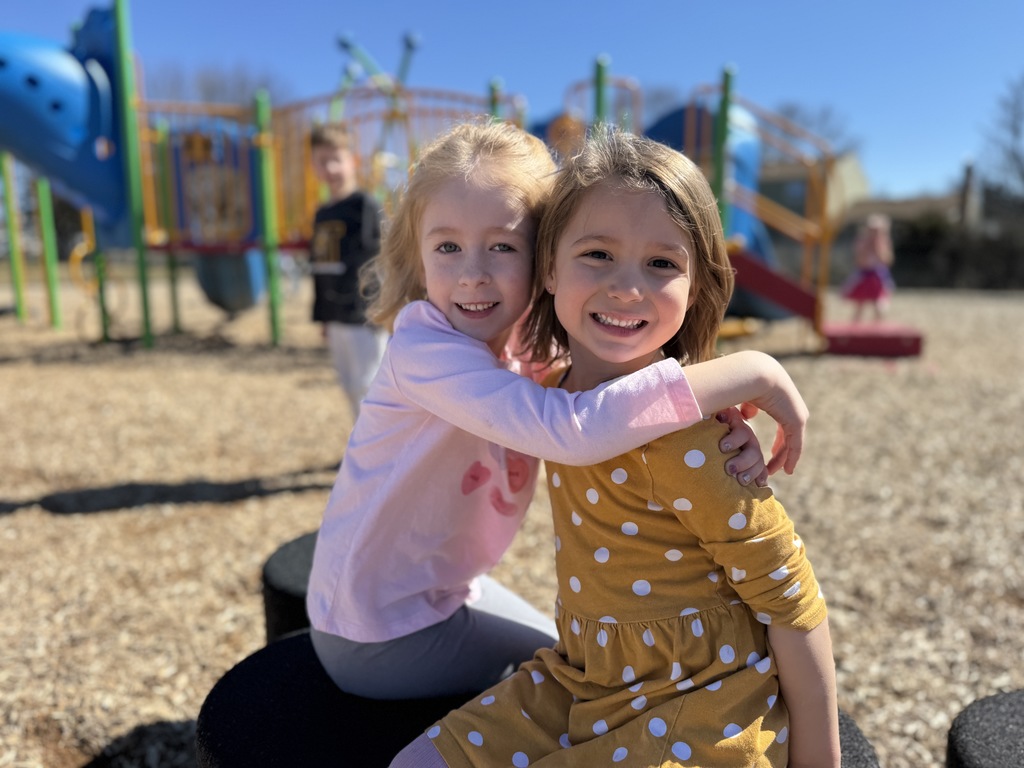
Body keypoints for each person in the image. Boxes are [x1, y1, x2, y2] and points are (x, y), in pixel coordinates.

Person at [307, 120, 811, 707]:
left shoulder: (523, 345)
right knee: (591, 685)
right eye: (448, 247)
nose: (473, 271)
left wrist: (719, 415)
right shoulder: (424, 351)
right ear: (417, 258)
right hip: (374, 634)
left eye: (502, 246)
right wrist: (754, 373)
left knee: (577, 659)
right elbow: (573, 429)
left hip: (440, 596)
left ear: (545, 259)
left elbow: (621, 384)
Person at [308, 122, 389, 417]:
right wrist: (323, 316)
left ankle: (381, 455)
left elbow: (378, 260)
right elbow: (319, 265)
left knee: (371, 386)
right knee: (349, 383)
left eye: (336, 159)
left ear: (352, 160)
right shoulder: (322, 213)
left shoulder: (365, 206)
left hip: (363, 313)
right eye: (321, 160)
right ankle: (363, 449)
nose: (329, 167)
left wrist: (384, 308)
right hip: (337, 314)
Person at [842, 213, 895, 323]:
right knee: (860, 305)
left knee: (879, 305)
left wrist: (879, 250)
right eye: (872, 230)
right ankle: (854, 331)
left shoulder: (884, 243)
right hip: (864, 276)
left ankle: (878, 330)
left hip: (878, 277)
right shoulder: (862, 242)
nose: (874, 233)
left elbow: (887, 260)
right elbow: (858, 261)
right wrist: (866, 249)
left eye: (877, 230)